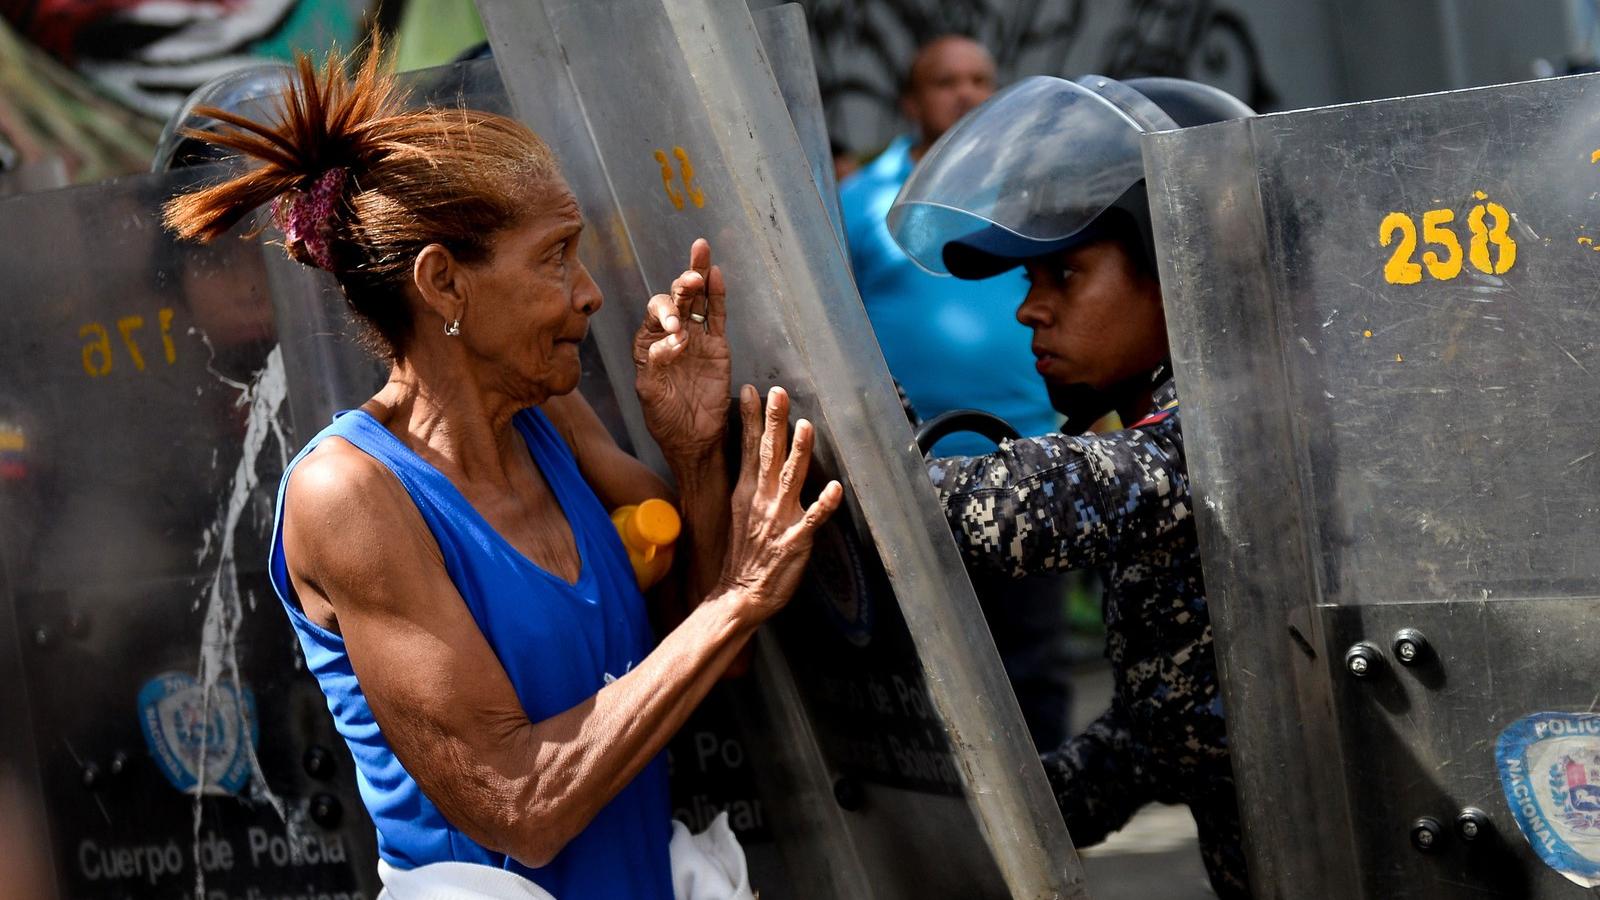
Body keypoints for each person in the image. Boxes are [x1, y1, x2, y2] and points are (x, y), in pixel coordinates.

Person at [163, 49, 842, 899]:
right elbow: (519, 805)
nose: (590, 293)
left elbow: (706, 660)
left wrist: (695, 453)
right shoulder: (347, 494)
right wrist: (742, 594)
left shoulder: (548, 414)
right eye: (556, 257)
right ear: (444, 283)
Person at [888, 75, 1257, 898]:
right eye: (1030, 282)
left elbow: (1000, 511)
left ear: (1181, 265)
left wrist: (851, 449)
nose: (1030, 311)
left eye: (1062, 276)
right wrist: (997, 821)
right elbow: (1162, 731)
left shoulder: (1231, 436)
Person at [839, 34, 1058, 457]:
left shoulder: (1031, 193)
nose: (966, 94)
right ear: (911, 102)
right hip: (905, 456)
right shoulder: (859, 199)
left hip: (1034, 451)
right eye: (946, 82)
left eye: (979, 81)